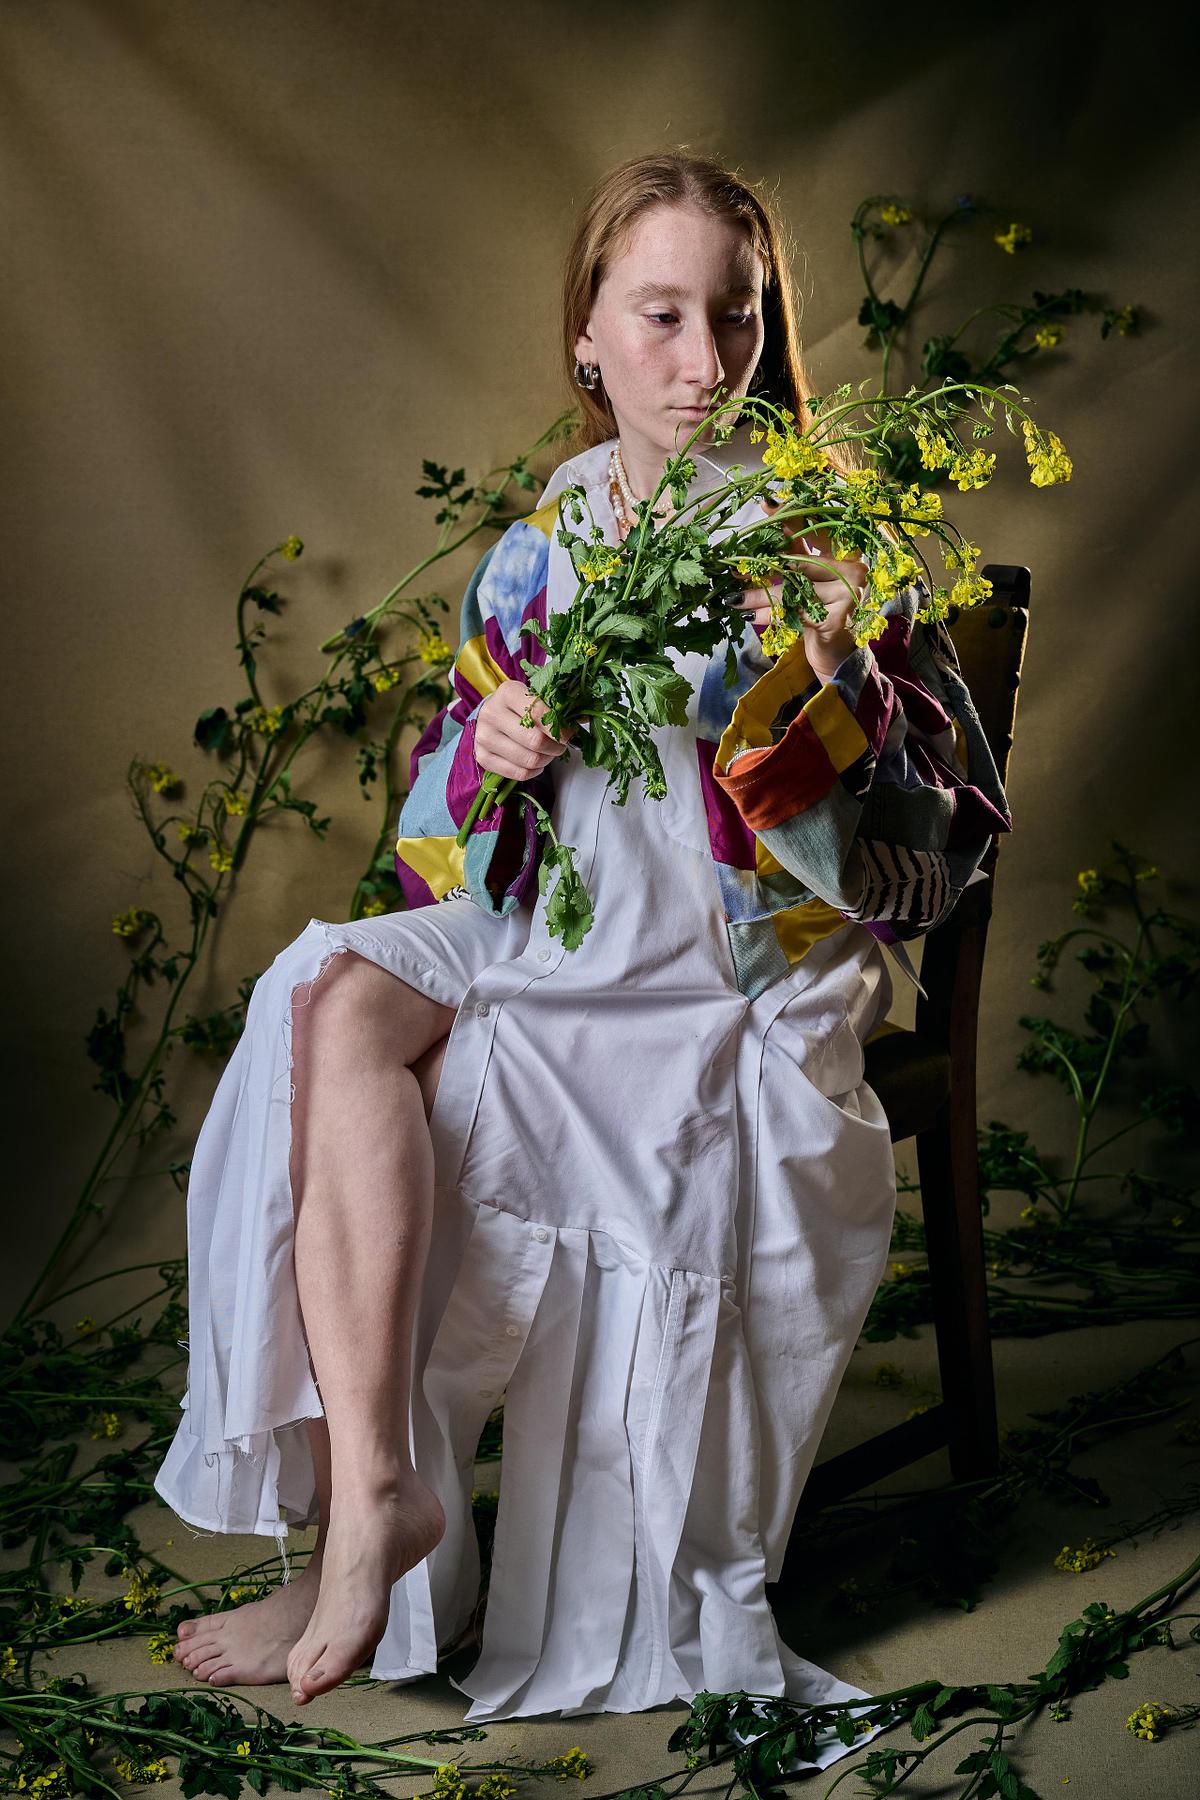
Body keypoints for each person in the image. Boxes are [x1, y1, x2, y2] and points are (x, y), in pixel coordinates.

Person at [157, 151, 1010, 1763]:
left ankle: (370, 1531)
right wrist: (492, 745)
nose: (705, 360)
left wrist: (832, 664)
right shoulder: (542, 541)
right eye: (662, 315)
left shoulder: (816, 530)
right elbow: (450, 821)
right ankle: (371, 1497)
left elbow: (914, 817)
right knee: (327, 1001)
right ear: (587, 335)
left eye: (736, 318)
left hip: (713, 956)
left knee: (398, 1052)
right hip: (550, 918)